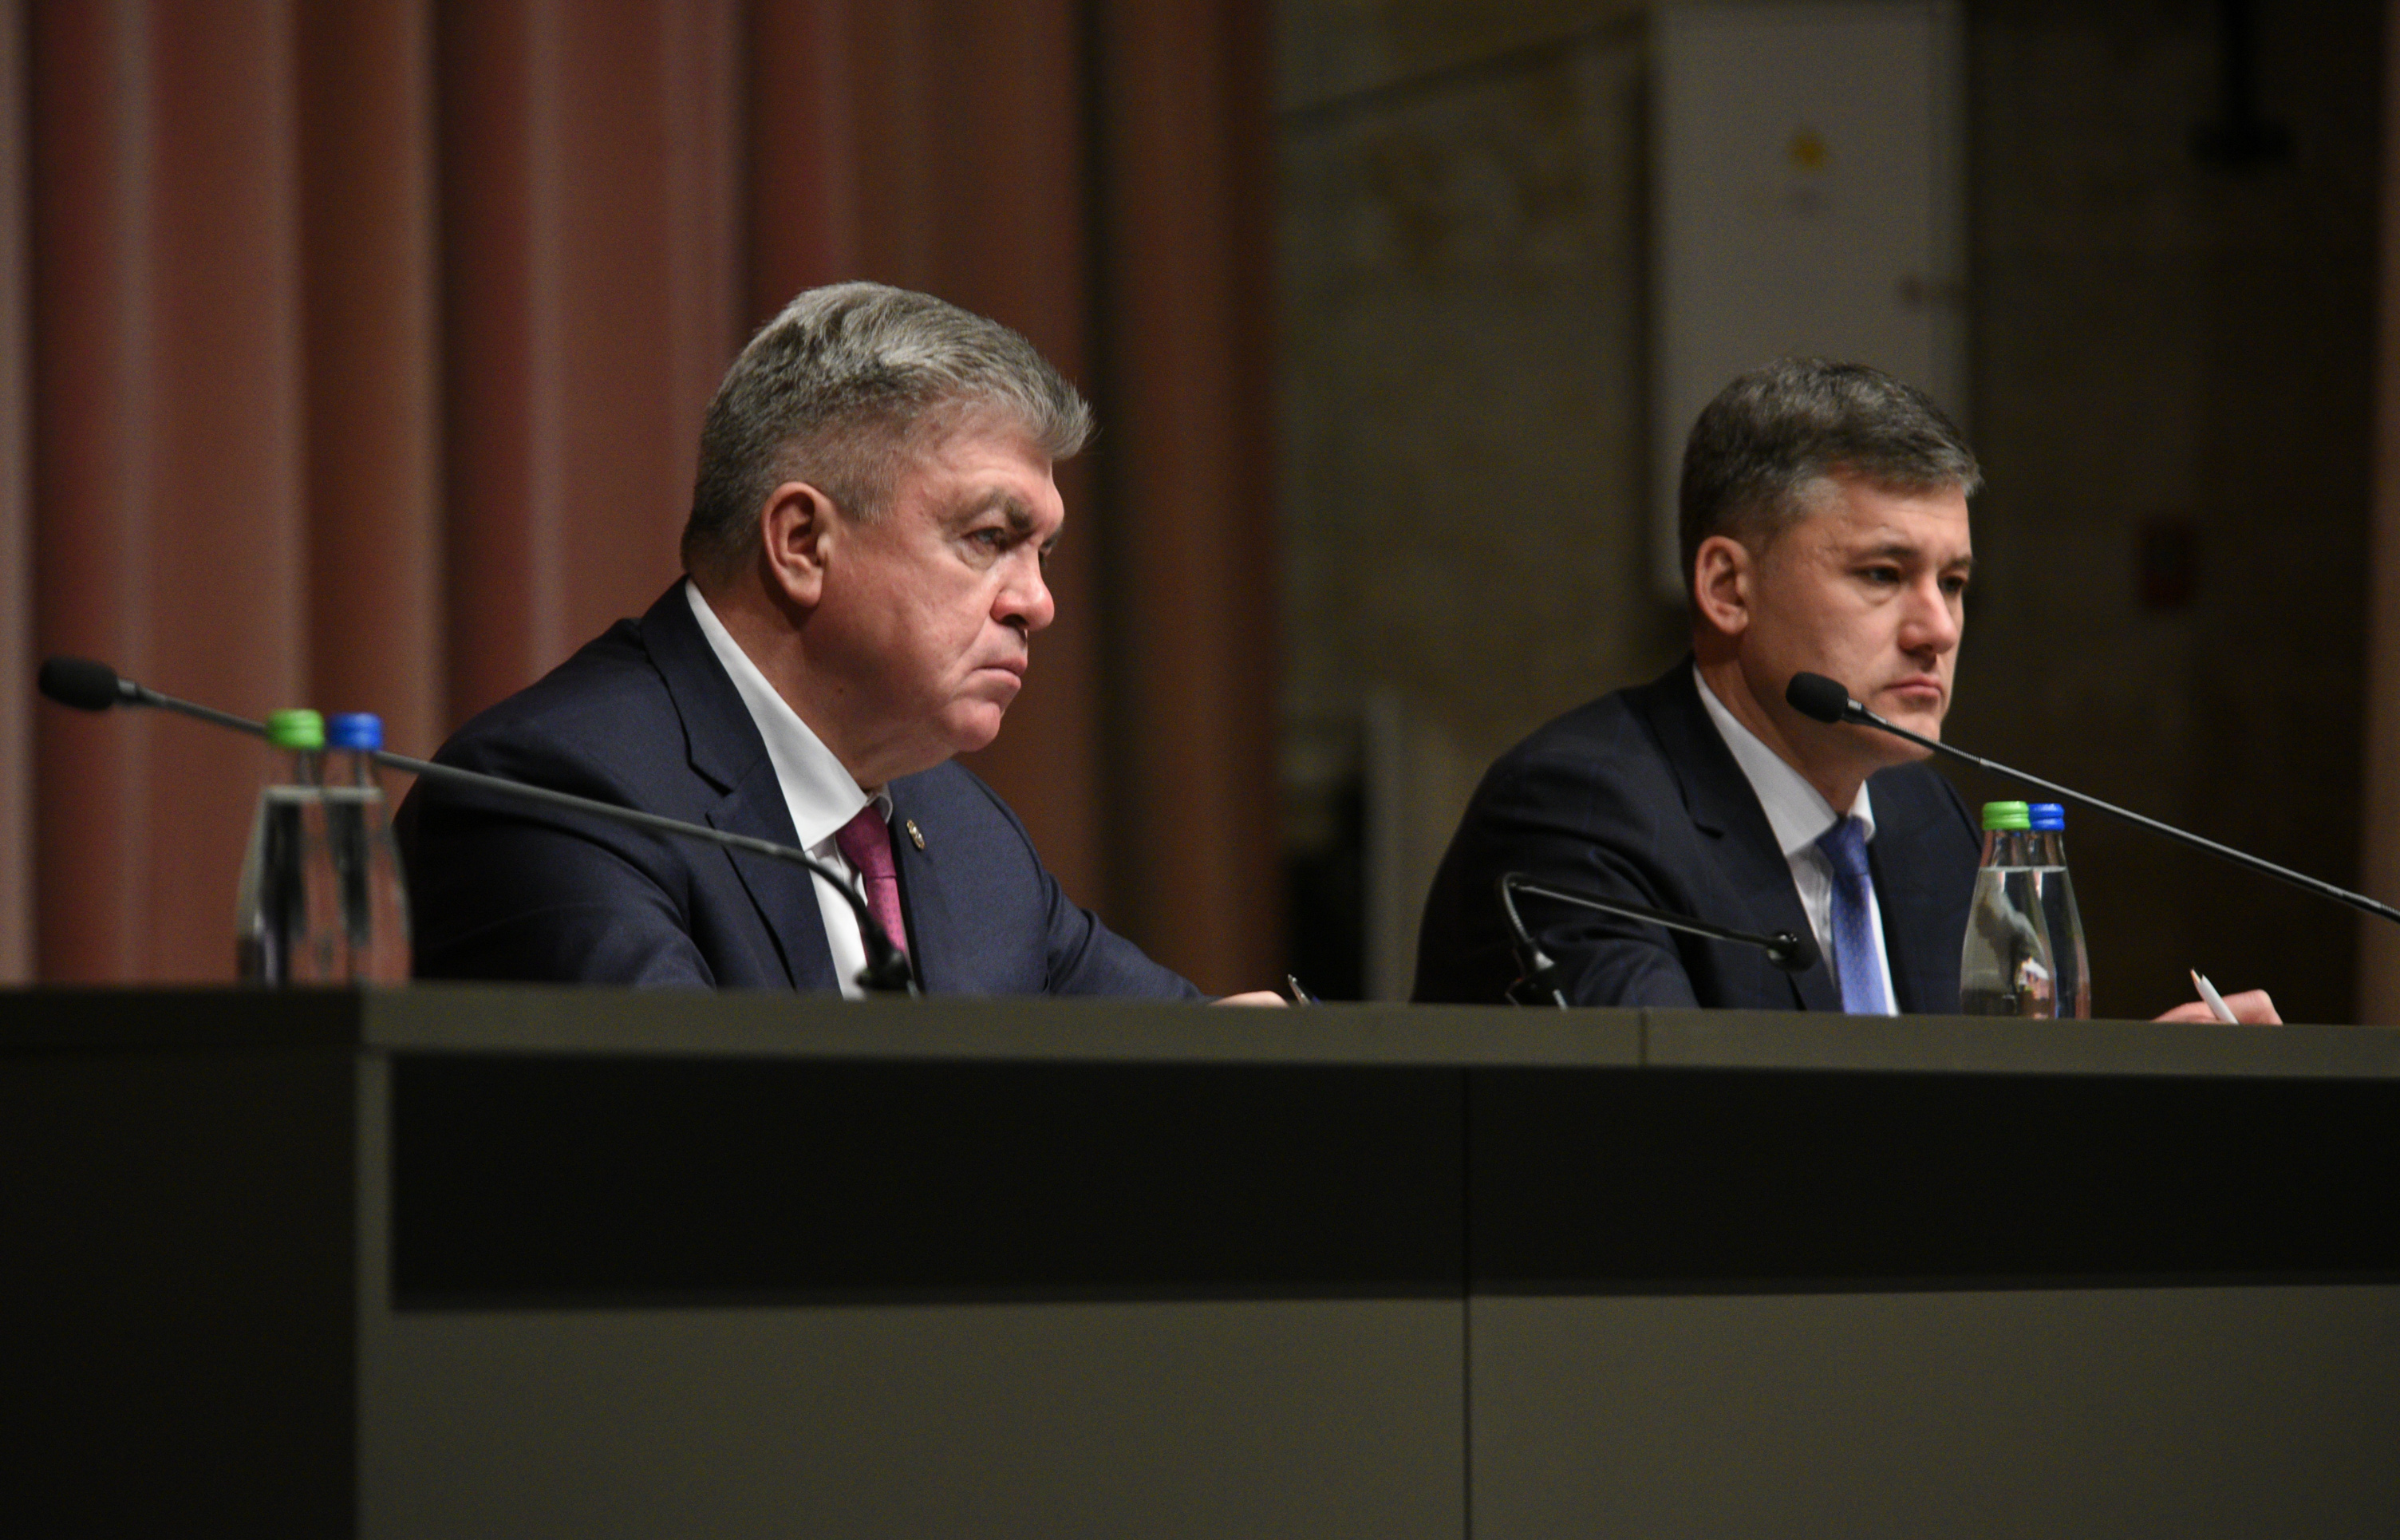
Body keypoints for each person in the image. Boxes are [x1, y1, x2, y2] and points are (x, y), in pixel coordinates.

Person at [399, 282, 1274, 1002]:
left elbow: (1188, 1051)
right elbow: (691, 1137)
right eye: (988, 538)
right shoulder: (561, 801)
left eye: (1040, 554)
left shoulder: (965, 836)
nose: (1037, 605)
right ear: (801, 544)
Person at [1411, 357, 2274, 1021]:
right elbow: (1672, 1132)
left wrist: (2124, 1104)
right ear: (1727, 588)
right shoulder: (1582, 813)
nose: (1936, 628)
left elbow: (1988, 1121)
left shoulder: (1925, 823)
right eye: (1882, 573)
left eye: (1953, 583)